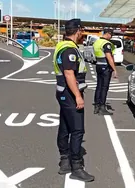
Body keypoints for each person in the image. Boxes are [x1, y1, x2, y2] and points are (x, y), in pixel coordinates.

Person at [53, 18, 94, 182]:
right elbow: (69, 74)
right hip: (70, 94)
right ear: (77, 31)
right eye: (81, 30)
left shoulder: (62, 46)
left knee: (65, 127)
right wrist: (78, 96)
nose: (82, 33)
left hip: (63, 92)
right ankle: (76, 167)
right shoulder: (69, 50)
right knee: (77, 130)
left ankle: (64, 161)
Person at [93, 29, 118, 115]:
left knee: (99, 86)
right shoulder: (106, 44)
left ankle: (96, 105)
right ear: (107, 34)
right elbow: (109, 57)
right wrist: (114, 69)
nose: (111, 37)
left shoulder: (97, 42)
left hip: (98, 65)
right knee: (104, 87)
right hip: (105, 67)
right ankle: (102, 107)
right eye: (111, 35)